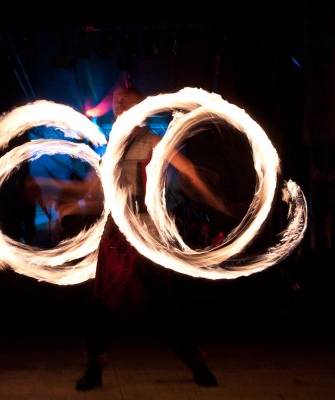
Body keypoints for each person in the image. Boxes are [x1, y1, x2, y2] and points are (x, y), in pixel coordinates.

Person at [73, 84, 233, 391]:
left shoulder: (154, 143)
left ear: (141, 111)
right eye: (117, 104)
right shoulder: (111, 151)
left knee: (163, 303)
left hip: (145, 234)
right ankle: (94, 366)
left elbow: (188, 173)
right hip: (116, 235)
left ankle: (196, 361)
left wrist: (217, 202)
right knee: (102, 303)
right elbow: (95, 193)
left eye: (126, 104)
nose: (119, 108)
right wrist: (66, 198)